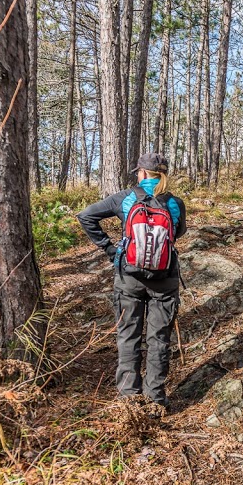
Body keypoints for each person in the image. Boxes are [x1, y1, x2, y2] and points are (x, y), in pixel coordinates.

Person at [77, 153, 187, 411]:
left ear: (144, 173)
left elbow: (86, 216)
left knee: (128, 336)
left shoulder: (125, 198)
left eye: (138, 171)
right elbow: (178, 233)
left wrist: (111, 250)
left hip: (129, 278)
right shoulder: (175, 203)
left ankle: (128, 399)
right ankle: (155, 400)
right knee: (159, 339)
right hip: (165, 278)